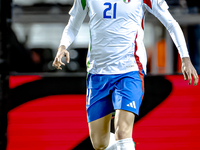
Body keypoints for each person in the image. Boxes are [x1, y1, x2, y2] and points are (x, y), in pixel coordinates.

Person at [53, 0, 199, 149]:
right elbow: (73, 24)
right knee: (99, 143)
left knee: (122, 132)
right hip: (97, 73)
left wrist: (185, 58)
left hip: (129, 71)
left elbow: (171, 23)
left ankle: (126, 144)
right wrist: (63, 46)